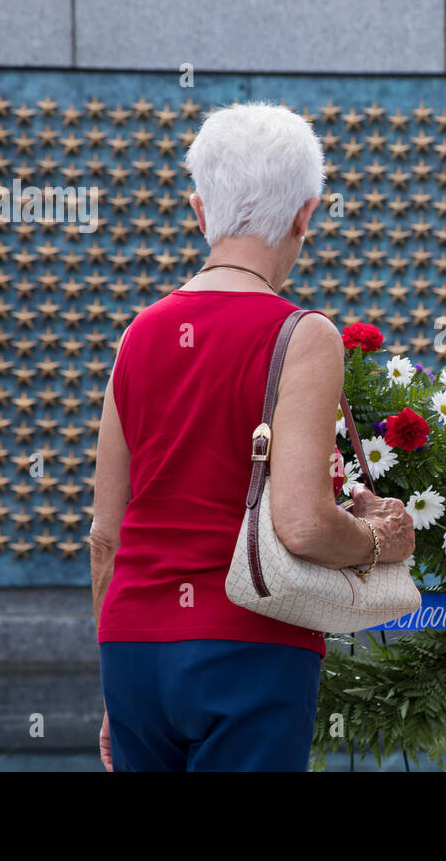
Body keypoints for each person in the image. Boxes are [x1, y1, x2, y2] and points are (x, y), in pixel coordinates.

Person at [89, 102, 414, 771]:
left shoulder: (139, 334)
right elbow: (301, 525)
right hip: (249, 647)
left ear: (200, 211)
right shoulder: (305, 335)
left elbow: (106, 535)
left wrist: (117, 682)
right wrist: (381, 539)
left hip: (133, 649)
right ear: (306, 213)